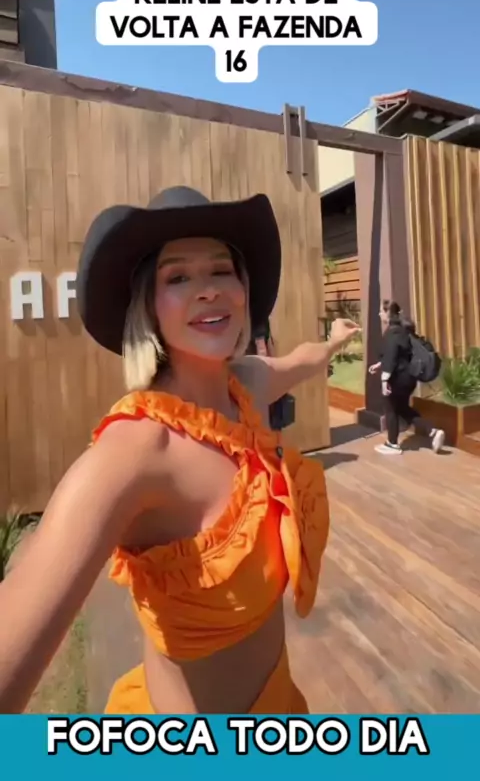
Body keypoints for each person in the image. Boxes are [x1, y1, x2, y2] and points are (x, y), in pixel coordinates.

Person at [0, 186, 359, 715]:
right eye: (178, 278)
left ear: (243, 288)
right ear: (148, 305)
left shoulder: (246, 385)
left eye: (221, 270)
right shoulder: (135, 454)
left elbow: (302, 361)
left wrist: (334, 342)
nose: (208, 289)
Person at [369, 300, 445, 456]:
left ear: (388, 313)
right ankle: (432, 431)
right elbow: (401, 354)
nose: (379, 314)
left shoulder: (393, 331)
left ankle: (392, 444)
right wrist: (379, 364)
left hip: (397, 378)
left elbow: (391, 356)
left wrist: (384, 380)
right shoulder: (404, 330)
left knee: (390, 408)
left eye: (381, 311)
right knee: (403, 409)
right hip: (408, 378)